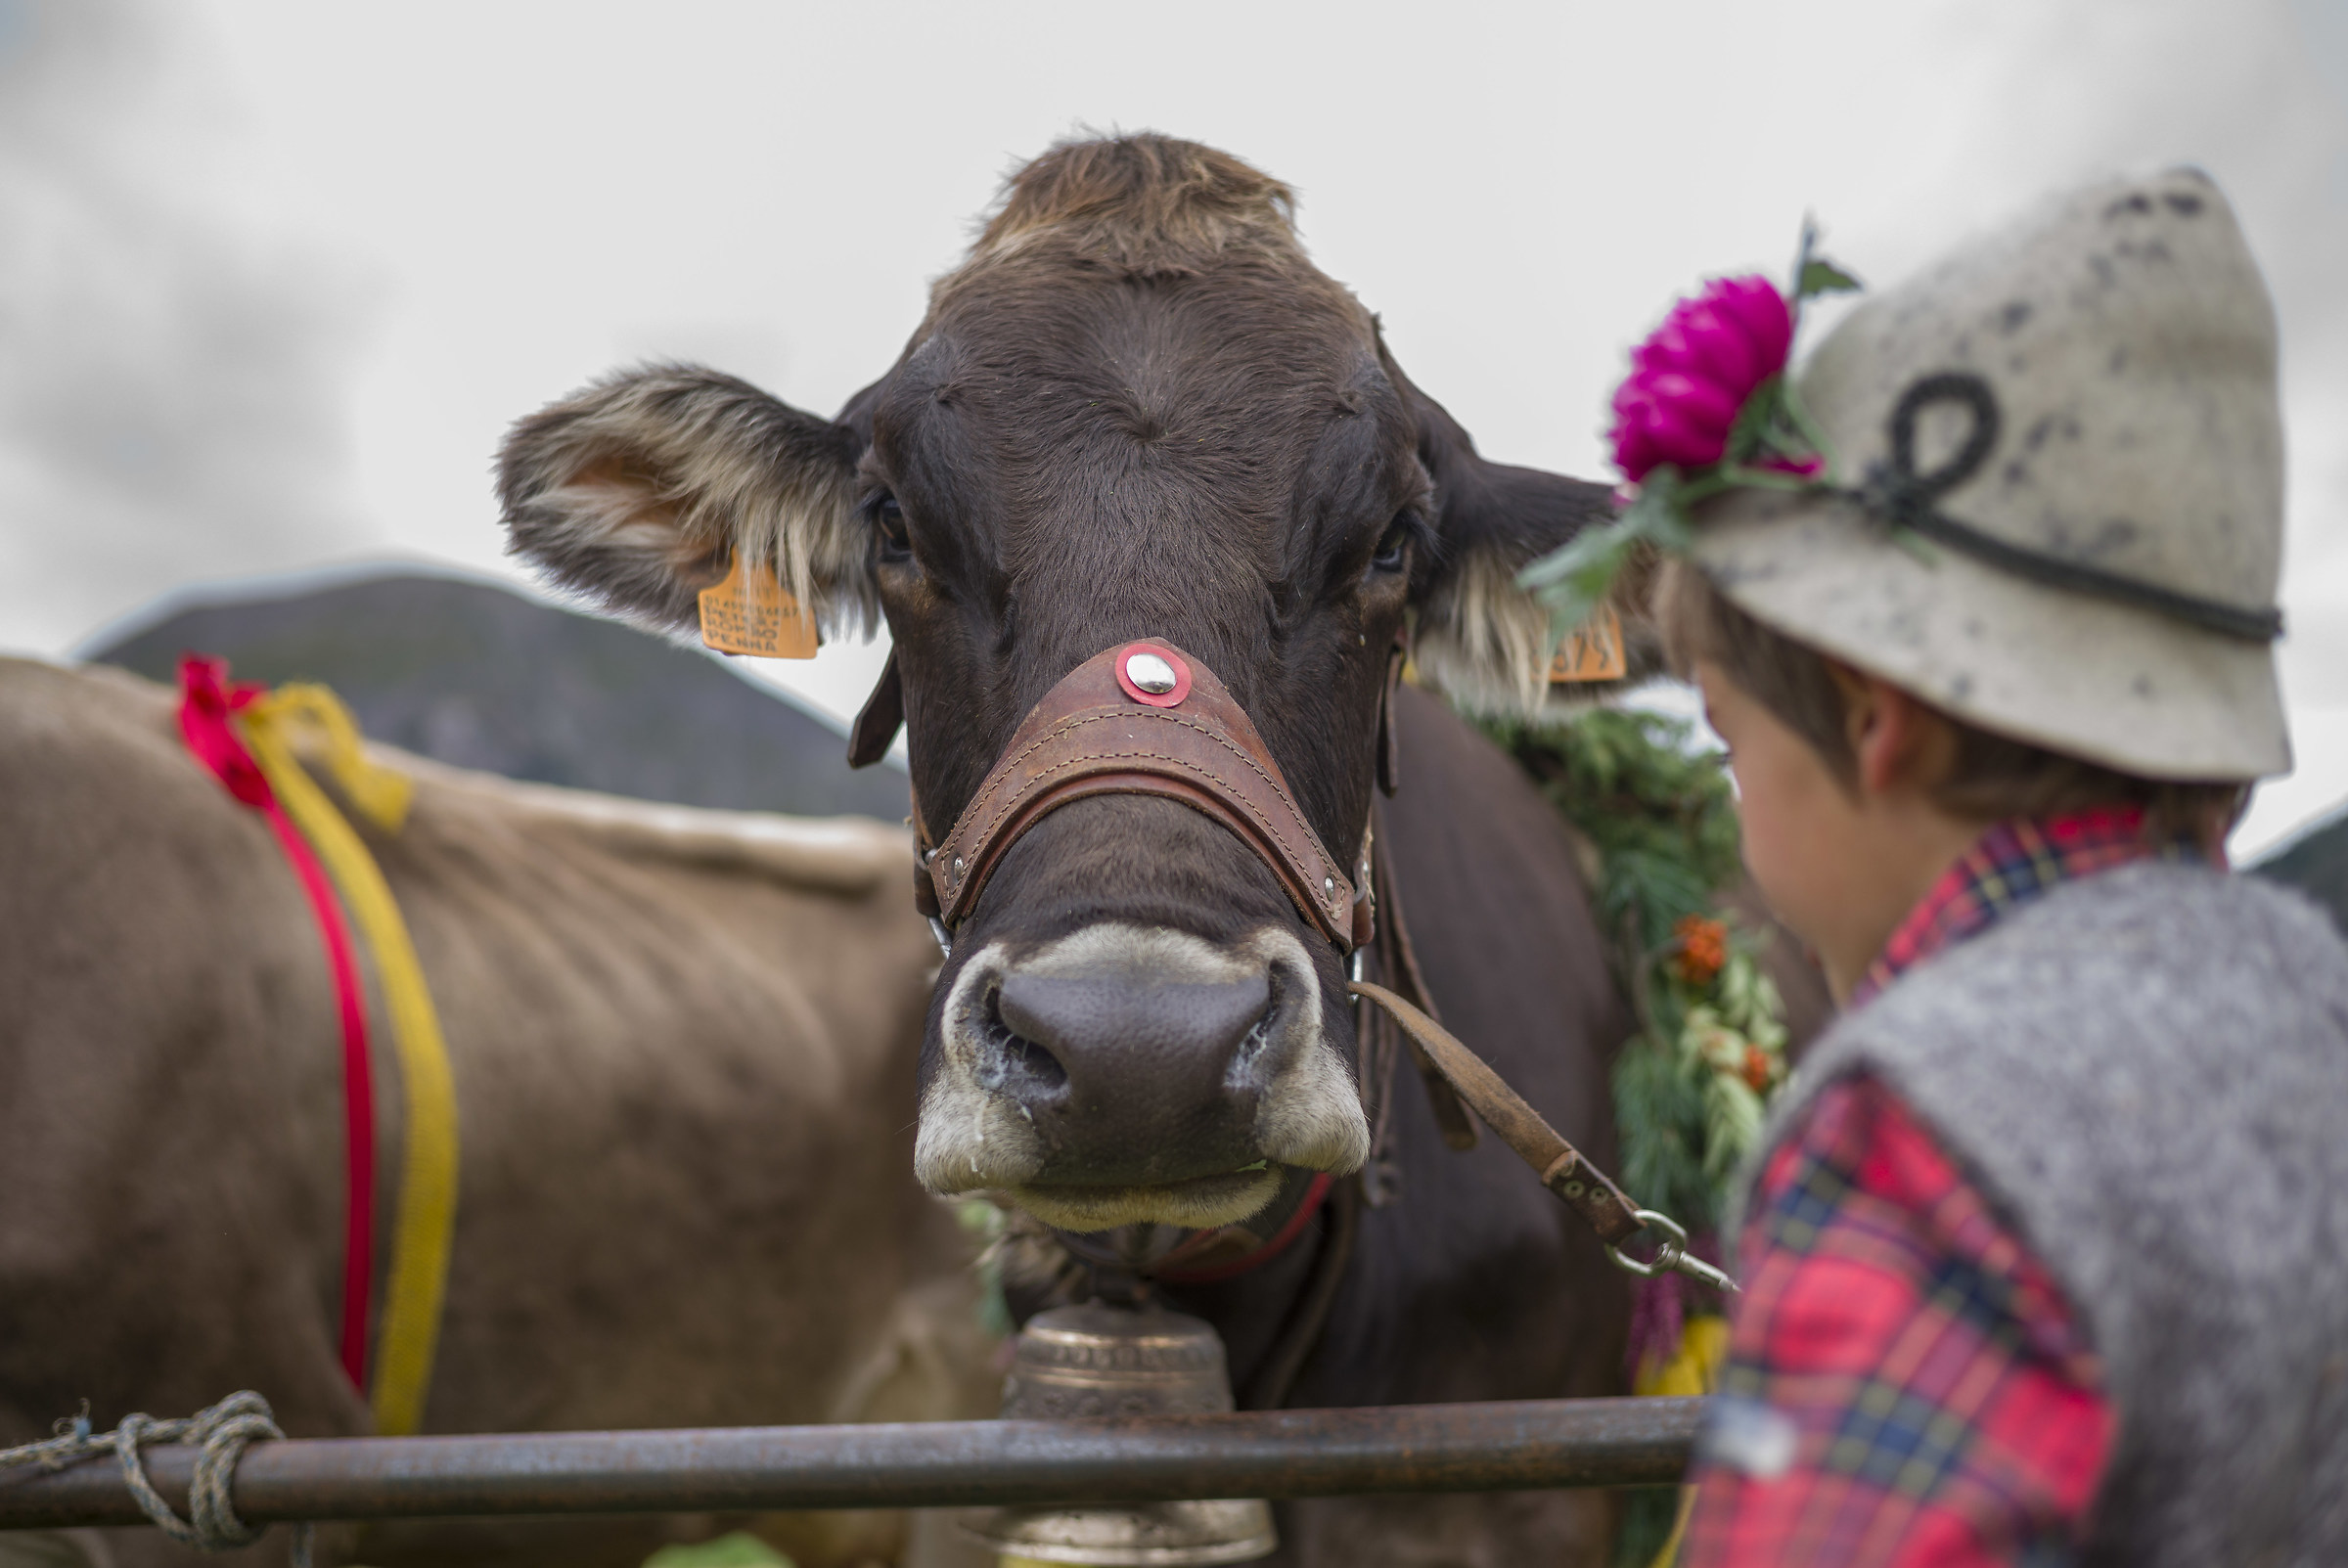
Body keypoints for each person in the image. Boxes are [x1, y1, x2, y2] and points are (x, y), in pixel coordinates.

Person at [1605, 170, 2348, 1564]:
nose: (1740, 813)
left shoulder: (1923, 1137)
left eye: (1730, 740)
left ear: (1873, 718)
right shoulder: (2320, 998)